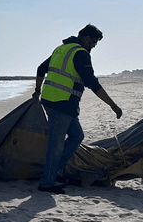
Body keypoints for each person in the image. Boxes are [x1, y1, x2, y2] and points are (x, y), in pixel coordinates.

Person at [34, 24, 122, 194]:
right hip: (62, 103)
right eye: (94, 42)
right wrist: (113, 105)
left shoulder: (61, 49)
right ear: (86, 38)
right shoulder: (80, 54)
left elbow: (40, 69)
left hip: (52, 100)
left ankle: (55, 171)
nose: (94, 46)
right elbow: (92, 83)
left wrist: (37, 91)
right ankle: (46, 182)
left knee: (77, 136)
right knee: (56, 145)